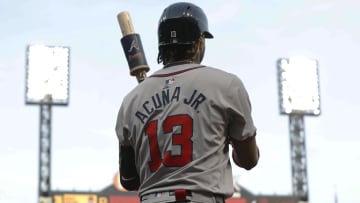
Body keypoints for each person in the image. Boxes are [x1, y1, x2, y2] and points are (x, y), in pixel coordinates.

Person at [115, 2, 260, 203]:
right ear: (198, 42)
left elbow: (129, 179)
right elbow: (248, 160)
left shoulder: (132, 99)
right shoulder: (226, 85)